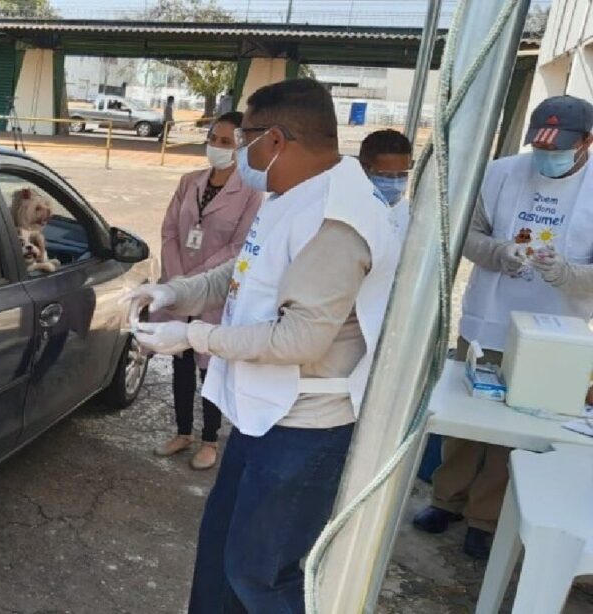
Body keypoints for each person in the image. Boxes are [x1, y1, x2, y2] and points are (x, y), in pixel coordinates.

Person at [124, 78, 399, 611]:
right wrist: (173, 291)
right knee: (221, 559)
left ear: (273, 139)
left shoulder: (337, 221)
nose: (237, 151)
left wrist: (190, 334)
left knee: (261, 576)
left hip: (302, 429)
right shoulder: (296, 194)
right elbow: (244, 269)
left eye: (243, 136)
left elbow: (300, 338)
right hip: (262, 413)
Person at [413, 95, 593, 560]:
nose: (546, 157)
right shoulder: (502, 173)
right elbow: (466, 235)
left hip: (555, 332)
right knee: (468, 417)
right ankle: (445, 499)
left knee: (518, 422)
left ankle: (485, 517)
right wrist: (499, 253)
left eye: (559, 148)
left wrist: (566, 274)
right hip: (490, 316)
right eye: (541, 146)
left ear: (587, 142)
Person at [154, 111, 262, 471]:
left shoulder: (251, 193)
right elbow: (170, 230)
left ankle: (210, 439)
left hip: (215, 292)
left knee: (209, 366)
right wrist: (177, 277)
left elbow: (239, 246)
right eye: (213, 138)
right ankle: (183, 431)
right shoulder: (190, 181)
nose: (216, 147)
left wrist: (194, 281)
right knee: (180, 362)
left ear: (241, 147)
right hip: (179, 286)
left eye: (226, 142)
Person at [359, 129, 413, 243]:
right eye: (387, 175)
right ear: (364, 170)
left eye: (402, 174)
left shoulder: (413, 217)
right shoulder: (342, 213)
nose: (395, 184)